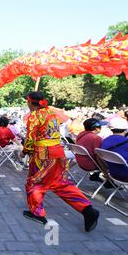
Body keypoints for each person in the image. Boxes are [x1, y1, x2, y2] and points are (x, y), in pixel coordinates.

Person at [21, 92, 99, 232]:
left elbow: (30, 139)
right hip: (58, 152)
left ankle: (37, 213)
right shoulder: (53, 113)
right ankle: (87, 209)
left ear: (30, 102)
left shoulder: (34, 116)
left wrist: (25, 151)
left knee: (35, 183)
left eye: (27, 101)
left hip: (43, 154)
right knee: (60, 183)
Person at [76, 119, 106, 183]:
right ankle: (109, 181)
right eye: (100, 126)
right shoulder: (96, 138)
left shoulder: (81, 134)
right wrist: (104, 170)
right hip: (90, 165)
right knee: (112, 161)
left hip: (81, 163)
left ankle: (96, 175)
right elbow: (98, 156)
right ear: (96, 129)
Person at [100, 117, 128, 183]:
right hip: (126, 174)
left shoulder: (104, 141)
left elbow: (100, 159)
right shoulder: (126, 142)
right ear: (125, 129)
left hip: (114, 174)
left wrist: (105, 172)